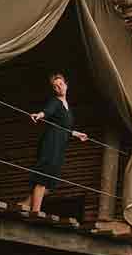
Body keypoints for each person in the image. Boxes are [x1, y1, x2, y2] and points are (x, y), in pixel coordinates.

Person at [19, 73, 87, 213]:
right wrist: (39, 115)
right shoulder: (55, 102)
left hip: (60, 144)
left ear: (66, 85)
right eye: (55, 86)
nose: (59, 88)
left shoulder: (67, 108)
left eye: (60, 84)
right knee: (44, 175)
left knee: (51, 182)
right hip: (51, 142)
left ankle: (26, 203)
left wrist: (76, 134)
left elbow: (65, 128)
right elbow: (47, 111)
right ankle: (35, 211)